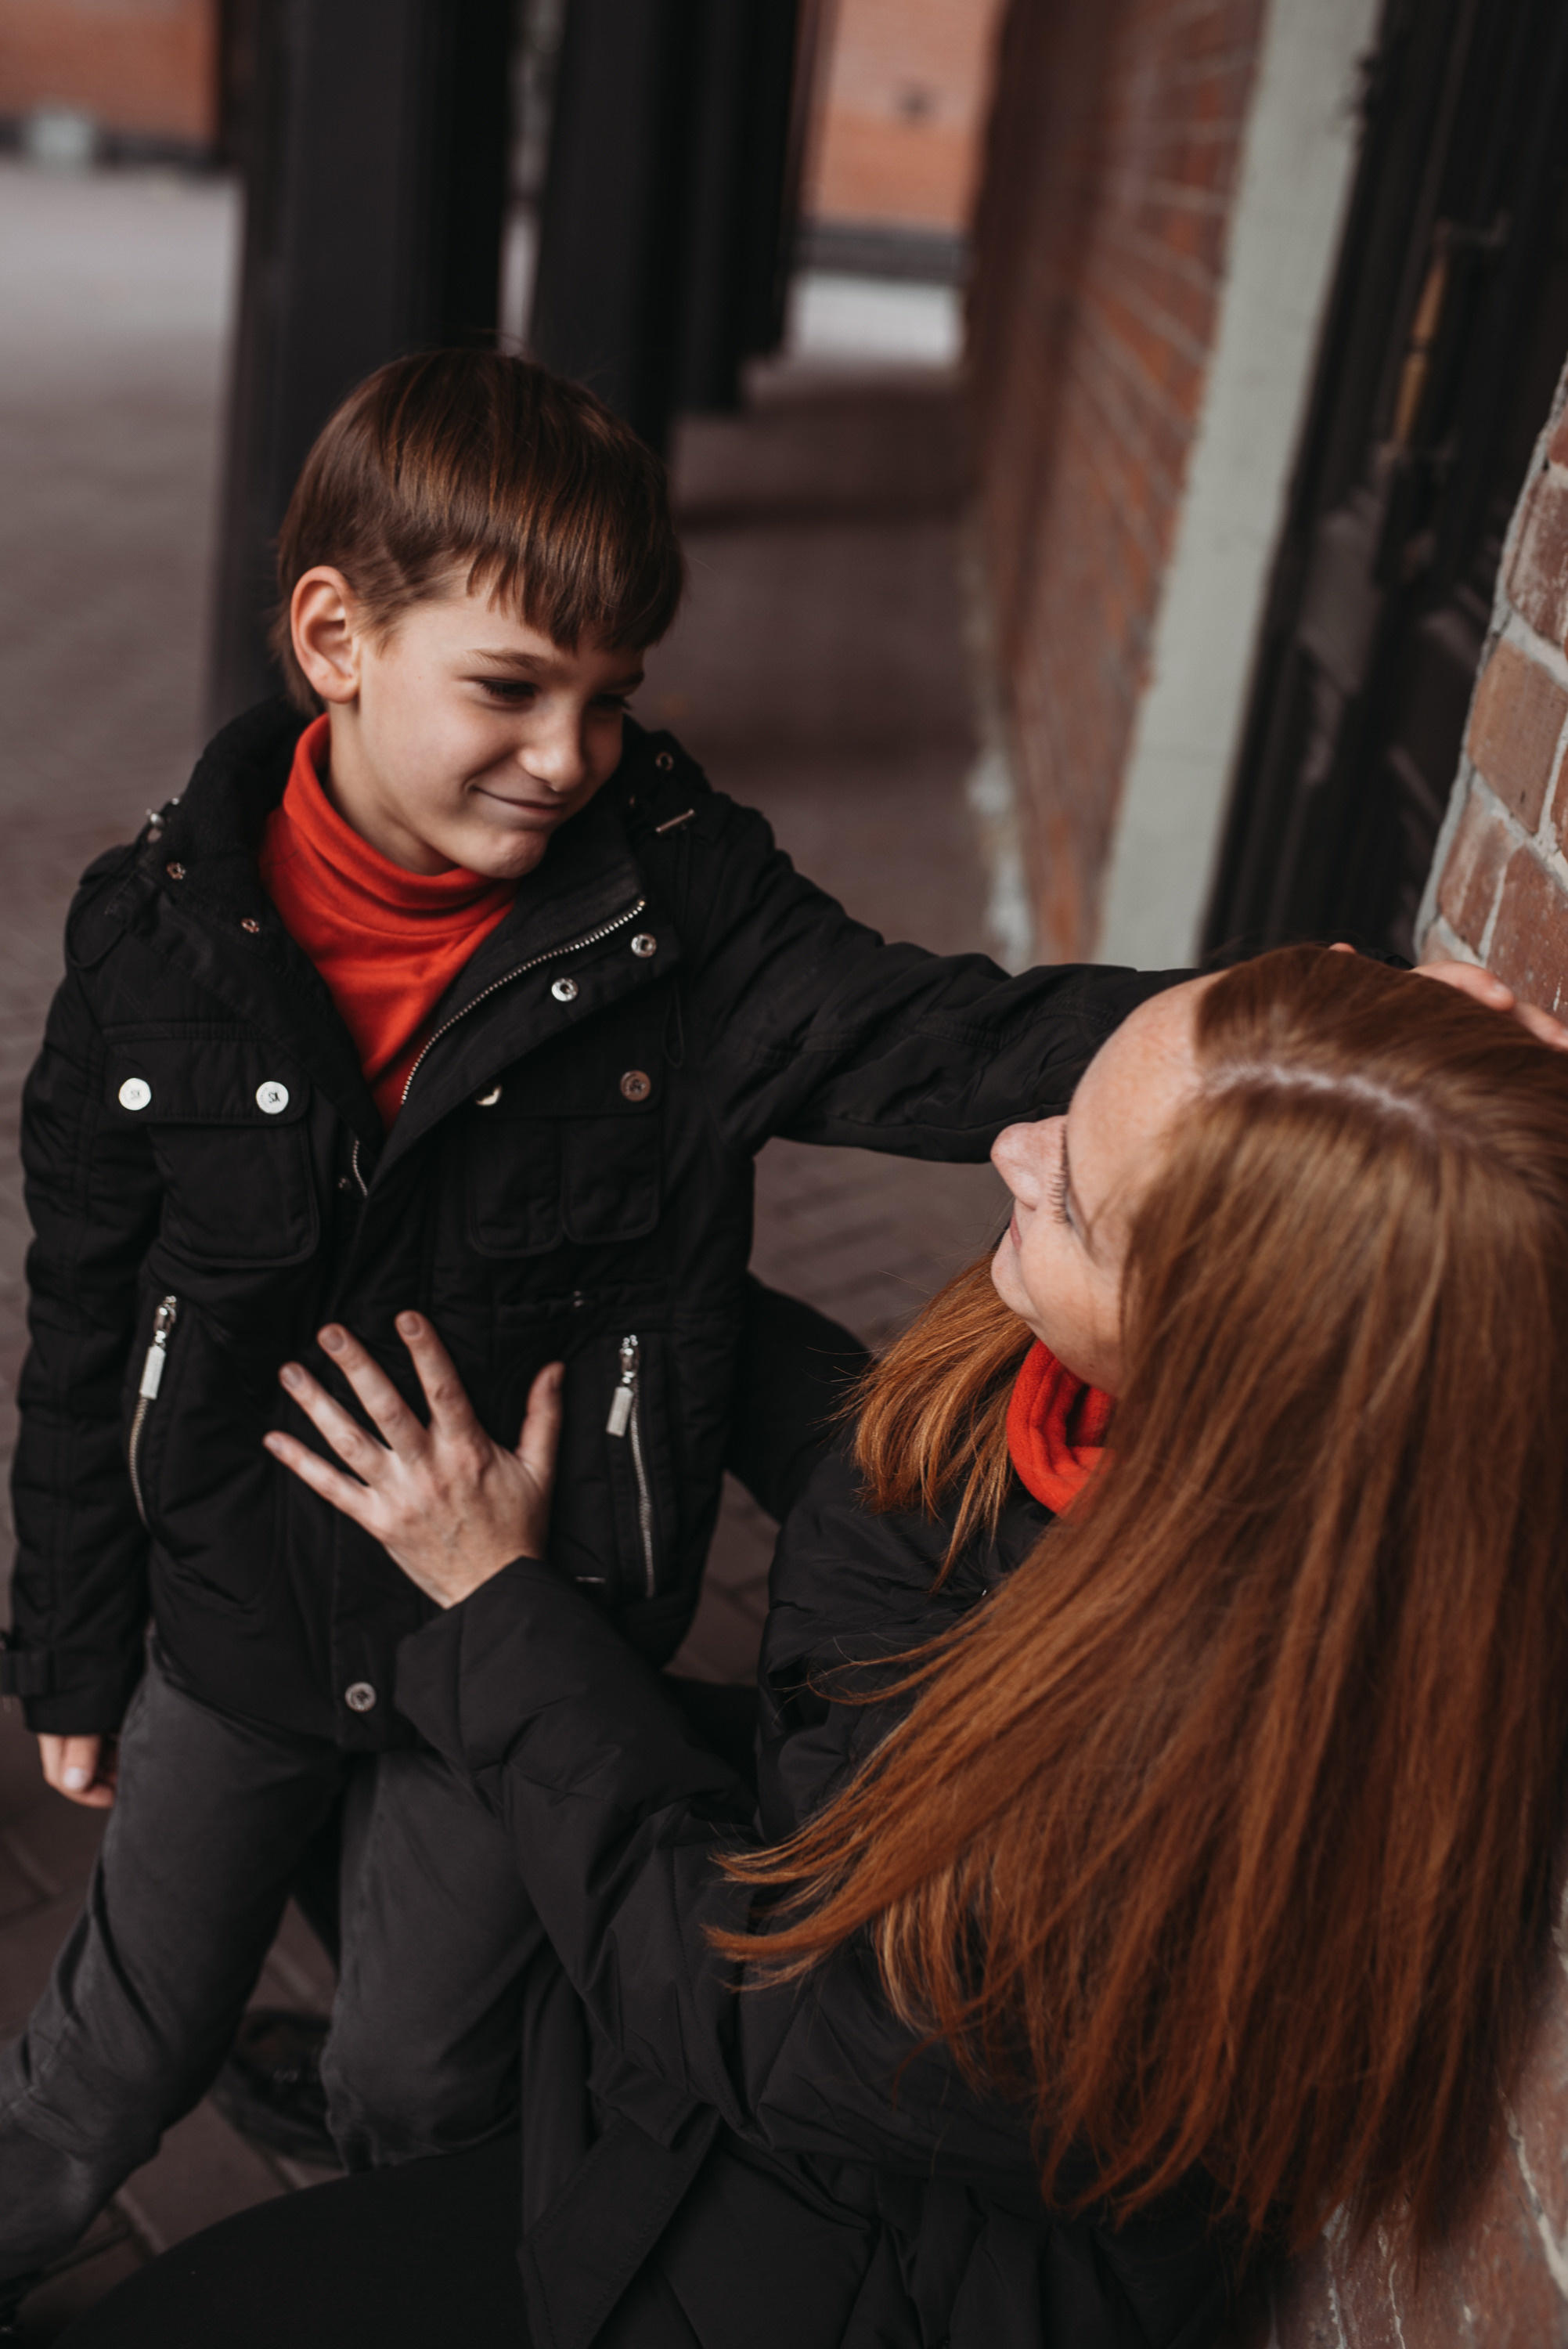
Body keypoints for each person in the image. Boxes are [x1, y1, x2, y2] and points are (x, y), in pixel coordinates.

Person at [0, 344, 1191, 2311]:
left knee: (421, 2072)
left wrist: (1250, 1028)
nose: (569, 758)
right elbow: (78, 1311)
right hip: (240, 1603)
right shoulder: (154, 940)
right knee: (107, 2056)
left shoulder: (679, 912)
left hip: (525, 1608)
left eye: (610, 700)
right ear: (336, 638)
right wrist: (70, 1636)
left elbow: (941, 1034)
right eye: (510, 688)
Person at [59, 944, 1568, 2349]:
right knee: (409, 1835)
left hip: (822, 2258)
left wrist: (494, 1595)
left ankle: (447, 2132)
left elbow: (762, 2014)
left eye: (1074, 1201)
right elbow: (896, 1485)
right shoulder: (1160, 1428)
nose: (1013, 1149)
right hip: (771, 2029)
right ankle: (446, 2111)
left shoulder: (1186, 1796)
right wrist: (584, 1281)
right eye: (1072, 1105)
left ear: (1233, 1355)